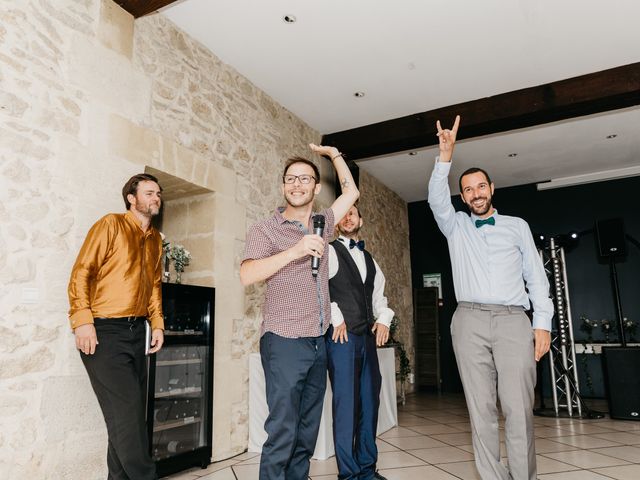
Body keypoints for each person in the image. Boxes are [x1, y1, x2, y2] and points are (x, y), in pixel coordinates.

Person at [427, 116, 553, 480]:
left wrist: (541, 324)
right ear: (463, 196)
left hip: (515, 320)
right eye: (468, 189)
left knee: (518, 408)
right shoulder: (455, 227)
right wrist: (445, 156)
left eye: (481, 186)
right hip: (468, 321)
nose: (476, 193)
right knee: (480, 409)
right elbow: (437, 199)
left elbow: (536, 278)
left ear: (492, 188)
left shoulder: (517, 226)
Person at [240, 144, 359, 480]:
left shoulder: (324, 222)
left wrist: (335, 154)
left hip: (318, 341)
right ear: (282, 187)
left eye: (305, 179)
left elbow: (351, 190)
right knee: (282, 431)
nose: (297, 184)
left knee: (306, 432)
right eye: (290, 179)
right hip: (284, 339)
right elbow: (247, 275)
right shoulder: (265, 229)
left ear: (316, 187)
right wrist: (294, 251)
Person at [68, 173, 165, 480]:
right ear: (131, 198)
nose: (156, 198)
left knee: (127, 420)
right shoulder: (110, 225)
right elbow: (82, 272)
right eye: (149, 192)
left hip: (138, 334)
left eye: (158, 194)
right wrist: (83, 321)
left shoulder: (155, 242)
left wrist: (158, 324)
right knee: (128, 418)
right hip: (104, 333)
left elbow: (153, 287)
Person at [327, 204, 394, 480]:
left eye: (352, 213)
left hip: (366, 340)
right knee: (346, 408)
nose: (347, 216)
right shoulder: (329, 251)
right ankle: (349, 474)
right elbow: (316, 287)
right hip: (341, 338)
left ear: (360, 220)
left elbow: (379, 300)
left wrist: (385, 319)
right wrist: (335, 316)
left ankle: (367, 469)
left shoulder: (371, 260)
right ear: (336, 223)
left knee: (369, 403)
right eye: (343, 213)